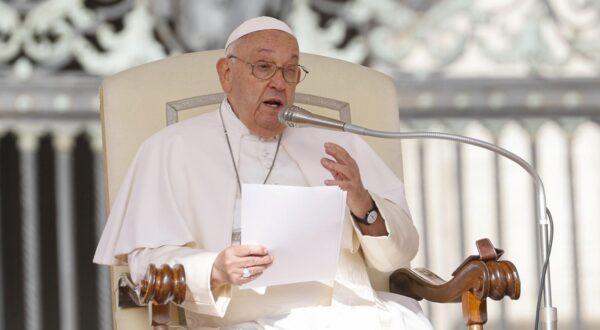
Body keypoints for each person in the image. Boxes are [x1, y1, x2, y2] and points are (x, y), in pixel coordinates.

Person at [94, 16, 432, 329]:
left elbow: (398, 257)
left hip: (352, 316)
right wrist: (214, 267)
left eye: (290, 70)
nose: (279, 83)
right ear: (227, 74)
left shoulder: (338, 145)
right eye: (263, 67)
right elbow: (144, 266)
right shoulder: (170, 148)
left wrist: (362, 201)